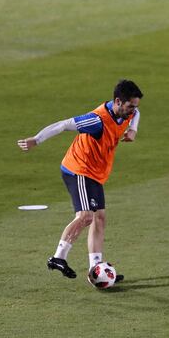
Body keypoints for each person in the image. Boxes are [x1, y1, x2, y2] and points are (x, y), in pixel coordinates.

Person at [18, 79, 143, 286]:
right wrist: (36, 140)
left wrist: (132, 131)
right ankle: (58, 257)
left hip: (95, 173)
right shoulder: (97, 121)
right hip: (78, 170)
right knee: (85, 216)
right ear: (118, 102)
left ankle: (96, 267)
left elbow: (136, 114)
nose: (133, 111)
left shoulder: (128, 112)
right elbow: (64, 125)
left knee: (99, 218)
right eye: (130, 106)